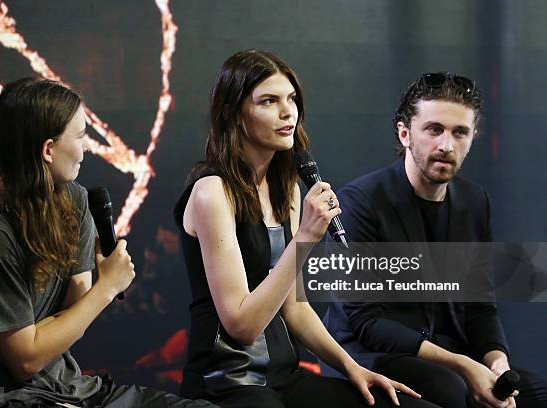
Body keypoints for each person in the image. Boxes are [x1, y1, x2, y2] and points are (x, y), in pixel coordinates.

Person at [173, 49, 435, 408]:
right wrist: (307, 237)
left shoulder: (289, 191)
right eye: (268, 101)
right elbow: (242, 326)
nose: (287, 112)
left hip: (284, 377)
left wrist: (350, 365)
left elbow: (294, 309)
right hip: (228, 382)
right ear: (234, 113)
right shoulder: (211, 193)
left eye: (291, 99)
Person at [0, 78, 214, 407]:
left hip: (63, 386)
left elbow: (73, 312)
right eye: (80, 137)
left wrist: (18, 339)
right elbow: (25, 361)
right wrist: (107, 287)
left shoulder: (76, 201)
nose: (86, 149)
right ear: (48, 149)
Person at [320, 72, 547, 408]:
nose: (446, 145)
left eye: (460, 133)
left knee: (536, 394)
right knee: (451, 390)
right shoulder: (361, 201)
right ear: (405, 133)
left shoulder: (474, 201)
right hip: (371, 354)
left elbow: (480, 305)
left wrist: (497, 364)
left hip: (447, 351)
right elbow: (366, 322)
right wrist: (464, 365)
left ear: (473, 138)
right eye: (434, 129)